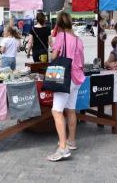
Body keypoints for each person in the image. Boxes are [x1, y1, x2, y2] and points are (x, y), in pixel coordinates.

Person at [47, 11, 85, 162]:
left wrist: (53, 46)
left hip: (64, 78)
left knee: (56, 111)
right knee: (70, 110)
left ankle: (63, 148)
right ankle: (71, 140)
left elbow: (54, 57)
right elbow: (81, 60)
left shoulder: (60, 37)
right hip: (76, 78)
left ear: (58, 24)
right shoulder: (78, 40)